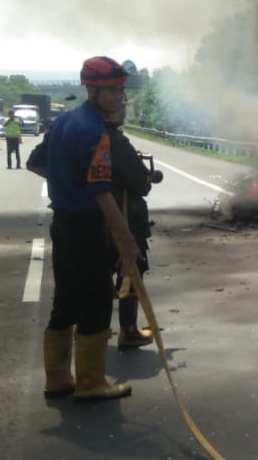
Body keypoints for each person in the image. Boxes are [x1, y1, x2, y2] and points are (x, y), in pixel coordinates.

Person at [27, 56, 142, 402]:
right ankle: (91, 383)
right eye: (113, 90)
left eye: (121, 90)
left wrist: (66, 184)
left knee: (65, 300)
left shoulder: (64, 121)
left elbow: (35, 163)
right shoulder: (95, 133)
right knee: (94, 302)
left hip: (63, 224)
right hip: (86, 227)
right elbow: (102, 194)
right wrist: (127, 241)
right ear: (92, 90)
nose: (120, 97)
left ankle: (58, 378)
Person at [104, 109, 159, 349]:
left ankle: (93, 331)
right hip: (124, 219)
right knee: (133, 271)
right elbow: (141, 183)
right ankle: (128, 331)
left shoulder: (81, 134)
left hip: (91, 221)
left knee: (96, 277)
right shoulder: (115, 140)